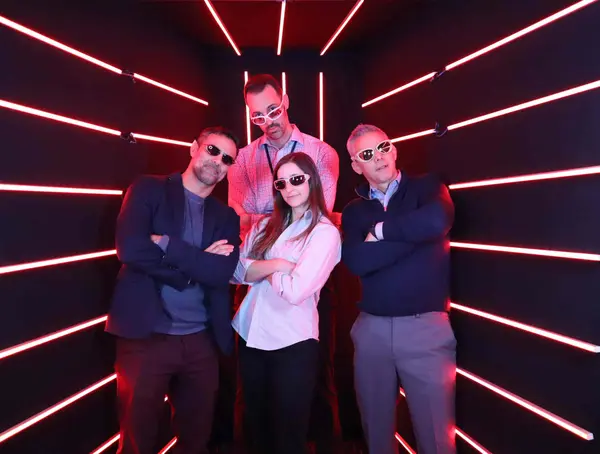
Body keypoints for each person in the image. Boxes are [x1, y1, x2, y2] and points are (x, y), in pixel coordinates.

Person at [106, 127, 241, 454]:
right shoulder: (148, 189)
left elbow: (220, 271)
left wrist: (167, 244)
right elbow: (131, 249)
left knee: (196, 439)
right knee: (137, 439)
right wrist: (195, 268)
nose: (217, 162)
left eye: (227, 159)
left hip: (201, 341)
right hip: (145, 337)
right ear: (193, 147)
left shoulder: (226, 216)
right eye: (212, 150)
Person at [228, 74, 341, 452]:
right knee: (253, 408)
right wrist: (278, 262)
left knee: (311, 394)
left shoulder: (321, 152)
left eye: (273, 110)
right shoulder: (244, 158)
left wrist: (262, 255)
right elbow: (241, 230)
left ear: (286, 100)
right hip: (254, 315)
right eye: (258, 115)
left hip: (300, 318)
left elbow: (316, 210)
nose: (267, 120)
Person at [341, 124, 456, 454]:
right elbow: (357, 261)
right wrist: (415, 236)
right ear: (355, 165)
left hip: (426, 329)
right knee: (376, 435)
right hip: (371, 331)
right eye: (366, 154)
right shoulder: (354, 210)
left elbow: (436, 222)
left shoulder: (427, 187)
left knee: (436, 439)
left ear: (393, 149)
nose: (378, 158)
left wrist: (378, 231)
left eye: (383, 147)